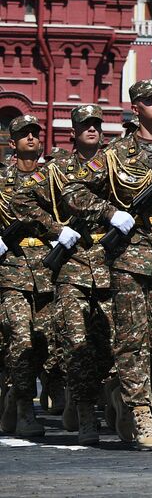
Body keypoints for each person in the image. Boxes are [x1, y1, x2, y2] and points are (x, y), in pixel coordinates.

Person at [61, 80, 152, 450]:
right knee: (131, 337)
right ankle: (140, 415)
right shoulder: (115, 153)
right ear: (135, 108)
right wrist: (110, 213)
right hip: (130, 256)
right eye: (149, 100)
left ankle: (120, 387)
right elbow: (73, 190)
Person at [21, 105, 113, 444]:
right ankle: (87, 413)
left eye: (96, 124)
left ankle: (83, 398)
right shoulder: (56, 168)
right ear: (73, 132)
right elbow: (27, 201)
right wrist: (54, 228)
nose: (91, 129)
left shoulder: (113, 164)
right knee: (76, 343)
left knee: (108, 345)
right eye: (84, 125)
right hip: (72, 264)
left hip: (108, 262)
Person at [0, 114, 56, 439]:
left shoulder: (53, 178)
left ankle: (11, 394)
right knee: (20, 337)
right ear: (12, 143)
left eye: (35, 133)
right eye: (24, 135)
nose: (32, 139)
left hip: (47, 269)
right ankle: (24, 407)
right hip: (11, 271)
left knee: (43, 342)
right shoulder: (1, 180)